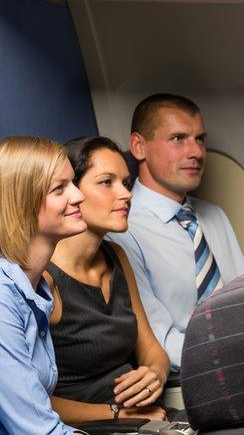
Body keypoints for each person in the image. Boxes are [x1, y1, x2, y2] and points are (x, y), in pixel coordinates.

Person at [109, 94, 244, 371]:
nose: (196, 152)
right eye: (178, 139)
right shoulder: (123, 229)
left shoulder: (214, 216)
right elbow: (158, 339)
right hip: (190, 372)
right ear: (139, 146)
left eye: (200, 139)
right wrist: (235, 358)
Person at [46, 136, 170, 423]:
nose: (126, 194)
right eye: (106, 182)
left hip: (145, 415)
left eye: (126, 183)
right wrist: (117, 414)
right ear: (71, 191)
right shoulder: (44, 278)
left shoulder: (116, 255)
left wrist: (154, 373)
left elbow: (151, 349)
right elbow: (30, 400)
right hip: (94, 423)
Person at [0, 136, 85, 434]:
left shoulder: (37, 288)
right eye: (59, 189)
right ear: (22, 202)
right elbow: (37, 429)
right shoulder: (1, 298)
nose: (78, 196)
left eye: (72, 183)